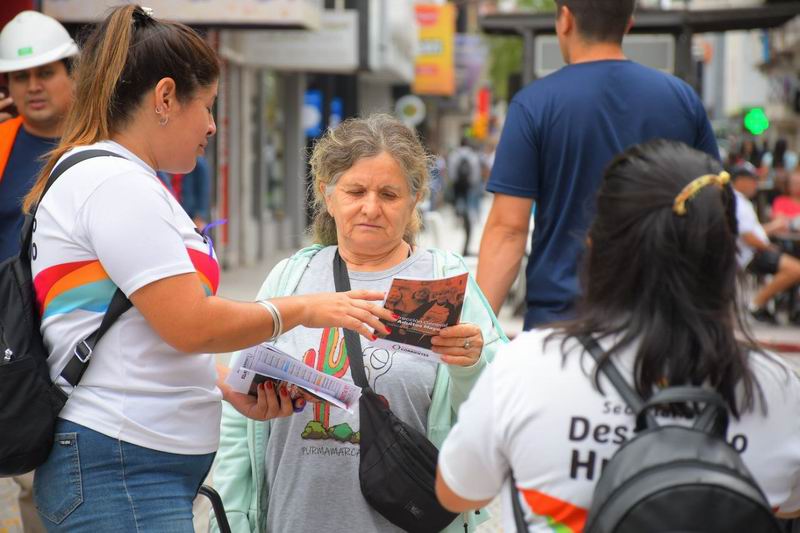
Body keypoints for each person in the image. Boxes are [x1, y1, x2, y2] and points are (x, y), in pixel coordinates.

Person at [24, 7, 393, 532]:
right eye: (209, 106)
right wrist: (304, 309)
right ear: (166, 98)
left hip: (131, 466)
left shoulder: (125, 180)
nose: (214, 126)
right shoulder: (115, 184)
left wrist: (222, 381)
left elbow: (145, 329)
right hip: (122, 467)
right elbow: (190, 323)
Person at [435, 140, 800, 530]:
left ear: (596, 246)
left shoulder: (527, 367)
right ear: (726, 254)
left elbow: (458, 492)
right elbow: (788, 506)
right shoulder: (778, 388)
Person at [212, 114, 508, 533]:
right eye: (355, 191)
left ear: (415, 199)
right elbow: (239, 417)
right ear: (327, 195)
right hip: (292, 519)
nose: (371, 207)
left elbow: (500, 409)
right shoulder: (291, 276)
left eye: (389, 194)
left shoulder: (443, 282)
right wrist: (235, 514)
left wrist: (470, 365)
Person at [476, 0, 720, 330]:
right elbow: (712, 209)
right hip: (661, 321)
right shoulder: (682, 100)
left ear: (564, 19)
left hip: (560, 321)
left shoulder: (534, 104)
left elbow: (509, 230)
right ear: (629, 22)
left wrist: (475, 330)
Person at [0, 11, 77, 263]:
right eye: (21, 76)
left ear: (73, 75)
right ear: (9, 86)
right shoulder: (3, 140)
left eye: (45, 73)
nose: (33, 87)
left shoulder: (106, 141)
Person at [730, 165, 800, 325]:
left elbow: (754, 231)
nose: (755, 184)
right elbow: (747, 236)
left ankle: (791, 307)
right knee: (796, 269)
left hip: (756, 250)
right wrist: (767, 247)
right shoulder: (737, 202)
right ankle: (756, 304)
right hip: (750, 254)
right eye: (752, 181)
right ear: (740, 180)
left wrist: (773, 227)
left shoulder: (741, 201)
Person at [448, 137, 482, 256]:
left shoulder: (454, 155)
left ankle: (459, 216)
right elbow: (476, 173)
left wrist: (453, 182)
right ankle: (469, 217)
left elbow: (451, 172)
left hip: (457, 185)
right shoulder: (472, 155)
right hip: (469, 185)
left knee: (459, 203)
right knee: (469, 206)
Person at [157, 155, 212, 227]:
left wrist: (200, 217)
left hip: (190, 216)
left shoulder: (198, 163)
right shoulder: (161, 165)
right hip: (172, 214)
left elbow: (204, 193)